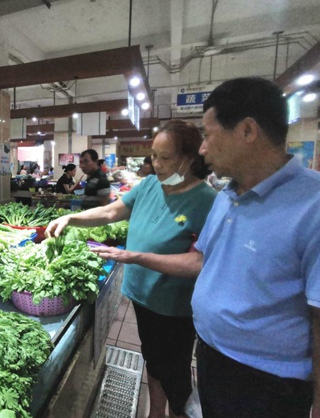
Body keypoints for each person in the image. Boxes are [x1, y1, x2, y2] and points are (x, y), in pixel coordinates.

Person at [90, 77, 320, 418]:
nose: (203, 149)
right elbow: (203, 261)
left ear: (247, 131)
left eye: (208, 134)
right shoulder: (229, 197)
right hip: (211, 356)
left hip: (266, 381)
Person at [47, 121, 216, 418]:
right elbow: (112, 211)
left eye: (166, 158)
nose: (157, 164)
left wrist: (137, 256)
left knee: (174, 372)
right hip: (141, 294)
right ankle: (155, 412)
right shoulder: (150, 185)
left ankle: (177, 412)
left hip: (173, 305)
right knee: (152, 357)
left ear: (189, 158)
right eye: (154, 155)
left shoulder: (207, 201)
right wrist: (71, 219)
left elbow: (204, 262)